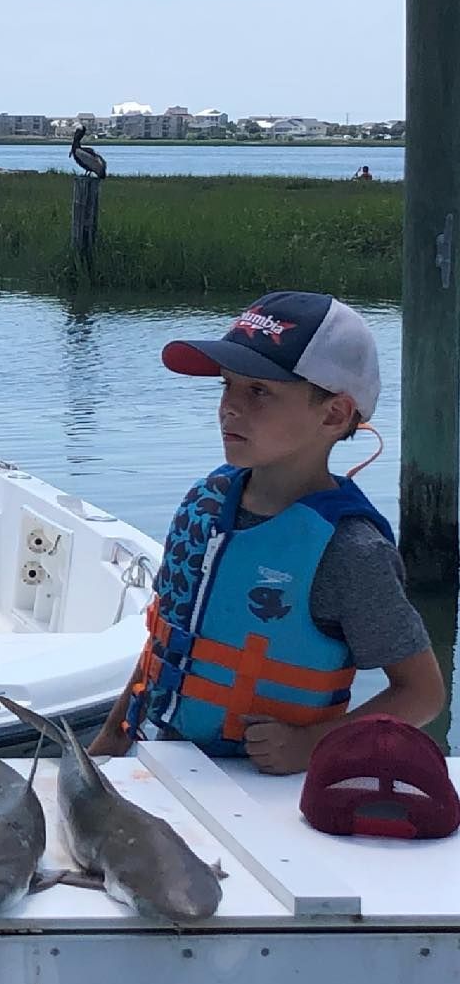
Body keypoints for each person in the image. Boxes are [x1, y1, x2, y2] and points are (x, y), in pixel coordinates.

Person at [89, 291, 443, 773]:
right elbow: (166, 641)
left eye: (258, 391)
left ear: (334, 414)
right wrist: (107, 745)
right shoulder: (205, 503)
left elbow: (422, 694)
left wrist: (315, 744)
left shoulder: (351, 552)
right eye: (227, 385)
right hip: (156, 763)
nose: (229, 408)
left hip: (260, 794)